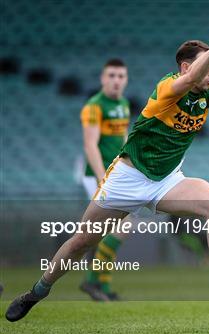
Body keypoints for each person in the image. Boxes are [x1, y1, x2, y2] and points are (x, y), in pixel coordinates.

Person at [6, 17, 209, 322]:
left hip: (166, 179)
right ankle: (38, 290)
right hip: (128, 178)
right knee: (82, 242)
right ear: (186, 68)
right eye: (208, 68)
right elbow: (191, 77)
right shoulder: (169, 86)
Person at [79, 58, 131, 302]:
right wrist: (103, 179)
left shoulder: (123, 104)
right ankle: (94, 282)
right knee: (114, 230)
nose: (116, 80)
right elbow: (90, 146)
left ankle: (100, 284)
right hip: (98, 177)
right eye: (111, 75)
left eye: (120, 76)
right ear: (102, 78)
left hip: (117, 176)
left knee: (118, 230)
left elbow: (122, 141)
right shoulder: (94, 106)